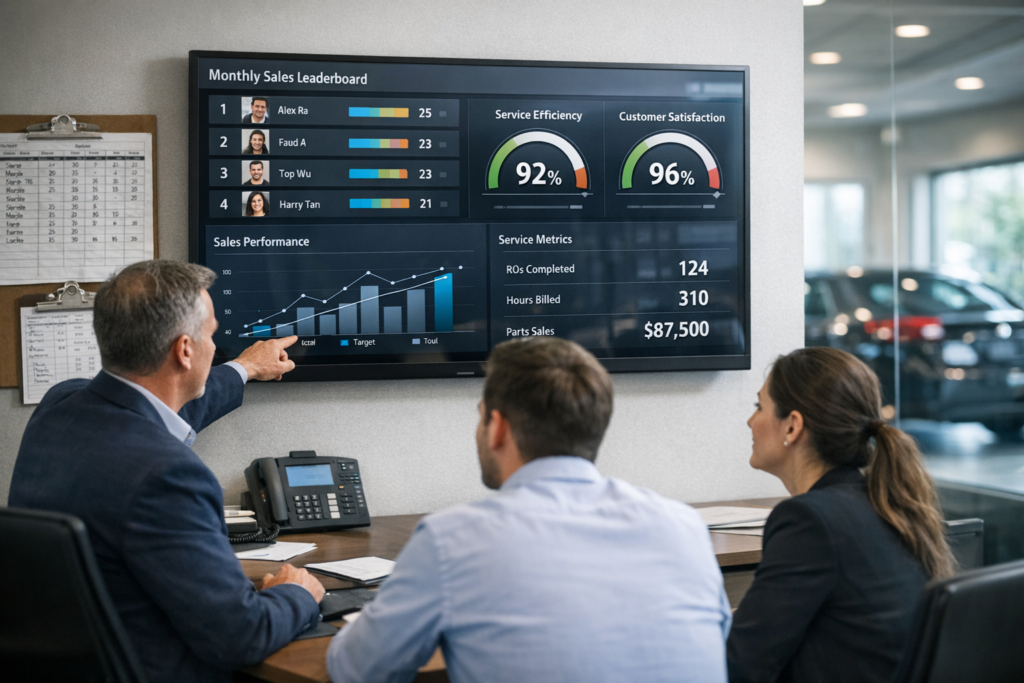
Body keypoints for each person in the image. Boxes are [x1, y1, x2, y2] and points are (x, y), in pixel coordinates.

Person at [326, 337, 731, 683]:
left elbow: (357, 669)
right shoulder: (684, 526)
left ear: (498, 427)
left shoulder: (452, 540)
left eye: (481, 418)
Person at [8, 260, 325, 683]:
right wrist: (297, 594)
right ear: (185, 350)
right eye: (211, 335)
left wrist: (245, 368)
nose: (215, 346)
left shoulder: (59, 405)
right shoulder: (169, 475)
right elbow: (241, 637)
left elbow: (153, 411)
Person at [727, 347, 954, 683]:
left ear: (792, 427)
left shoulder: (808, 520)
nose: (750, 421)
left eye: (759, 407)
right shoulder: (884, 501)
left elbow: (740, 665)